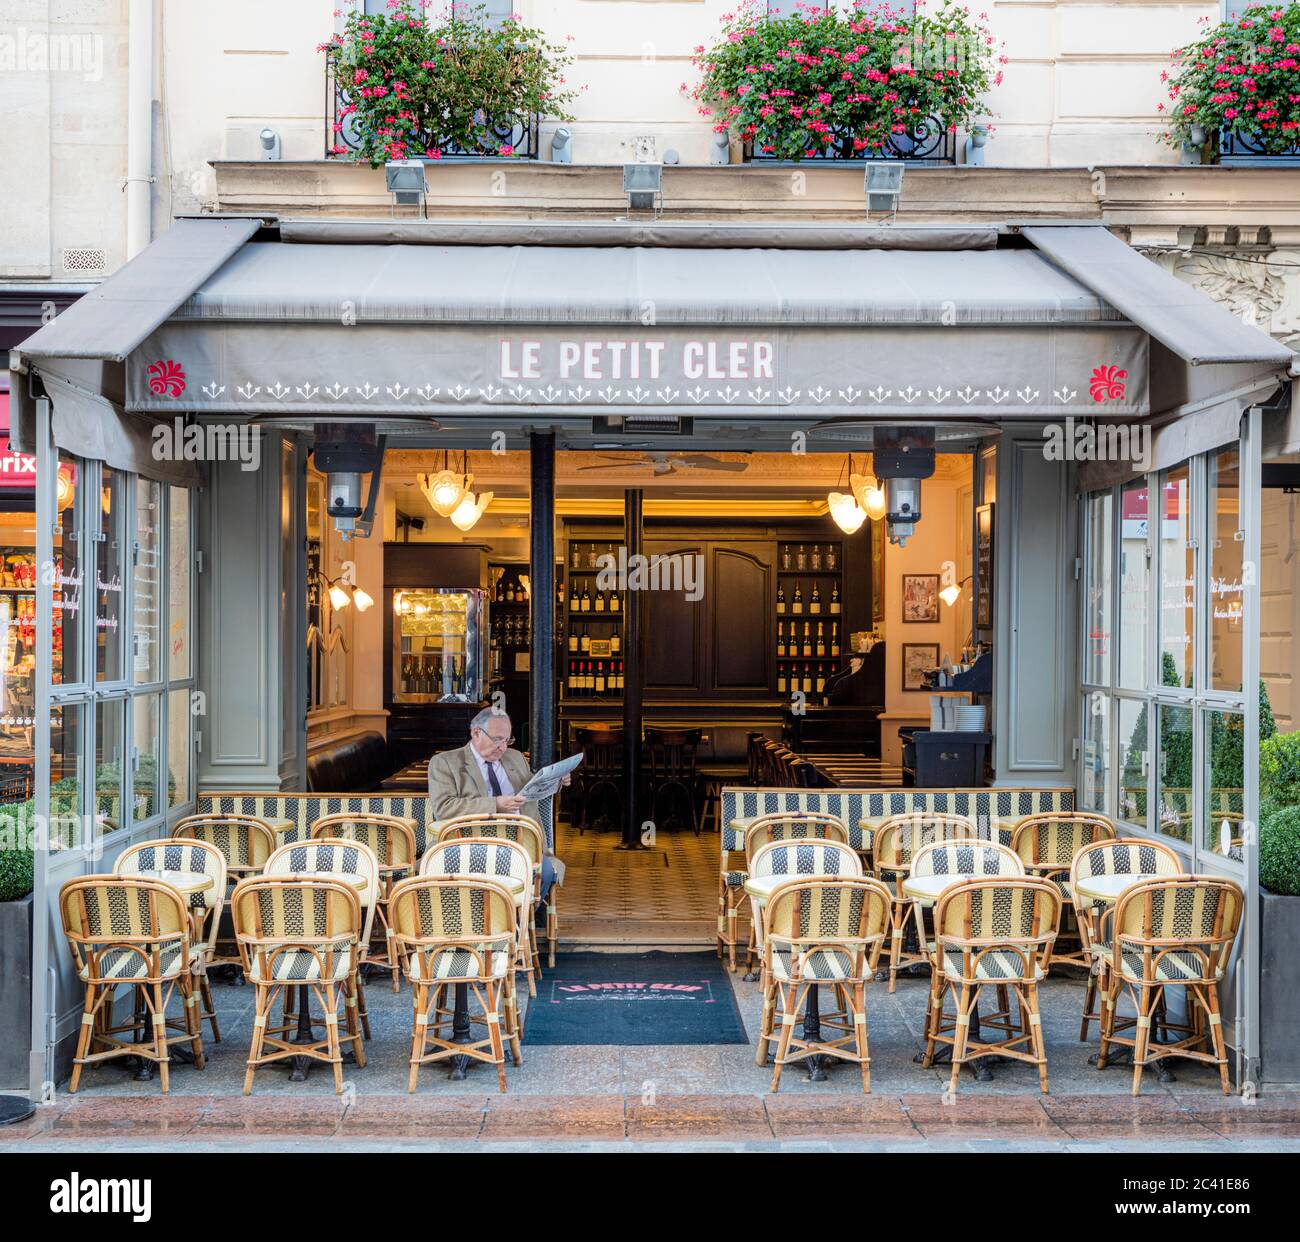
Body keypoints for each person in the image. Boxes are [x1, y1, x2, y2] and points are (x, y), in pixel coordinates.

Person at [426, 708, 566, 914]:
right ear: (475, 733)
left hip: (520, 844)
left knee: (544, 871)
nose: (502, 747)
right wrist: (495, 805)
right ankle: (502, 928)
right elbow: (443, 808)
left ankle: (518, 924)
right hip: (470, 845)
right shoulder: (446, 763)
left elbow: (532, 790)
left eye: (507, 741)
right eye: (497, 739)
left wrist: (556, 782)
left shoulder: (515, 758)